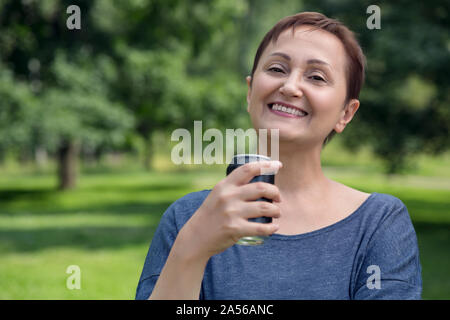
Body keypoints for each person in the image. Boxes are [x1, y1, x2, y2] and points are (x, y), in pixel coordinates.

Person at [136, 12, 422, 300]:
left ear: (345, 113)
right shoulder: (187, 217)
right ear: (250, 92)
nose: (289, 86)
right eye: (276, 69)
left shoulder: (379, 223)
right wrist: (192, 247)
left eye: (316, 76)